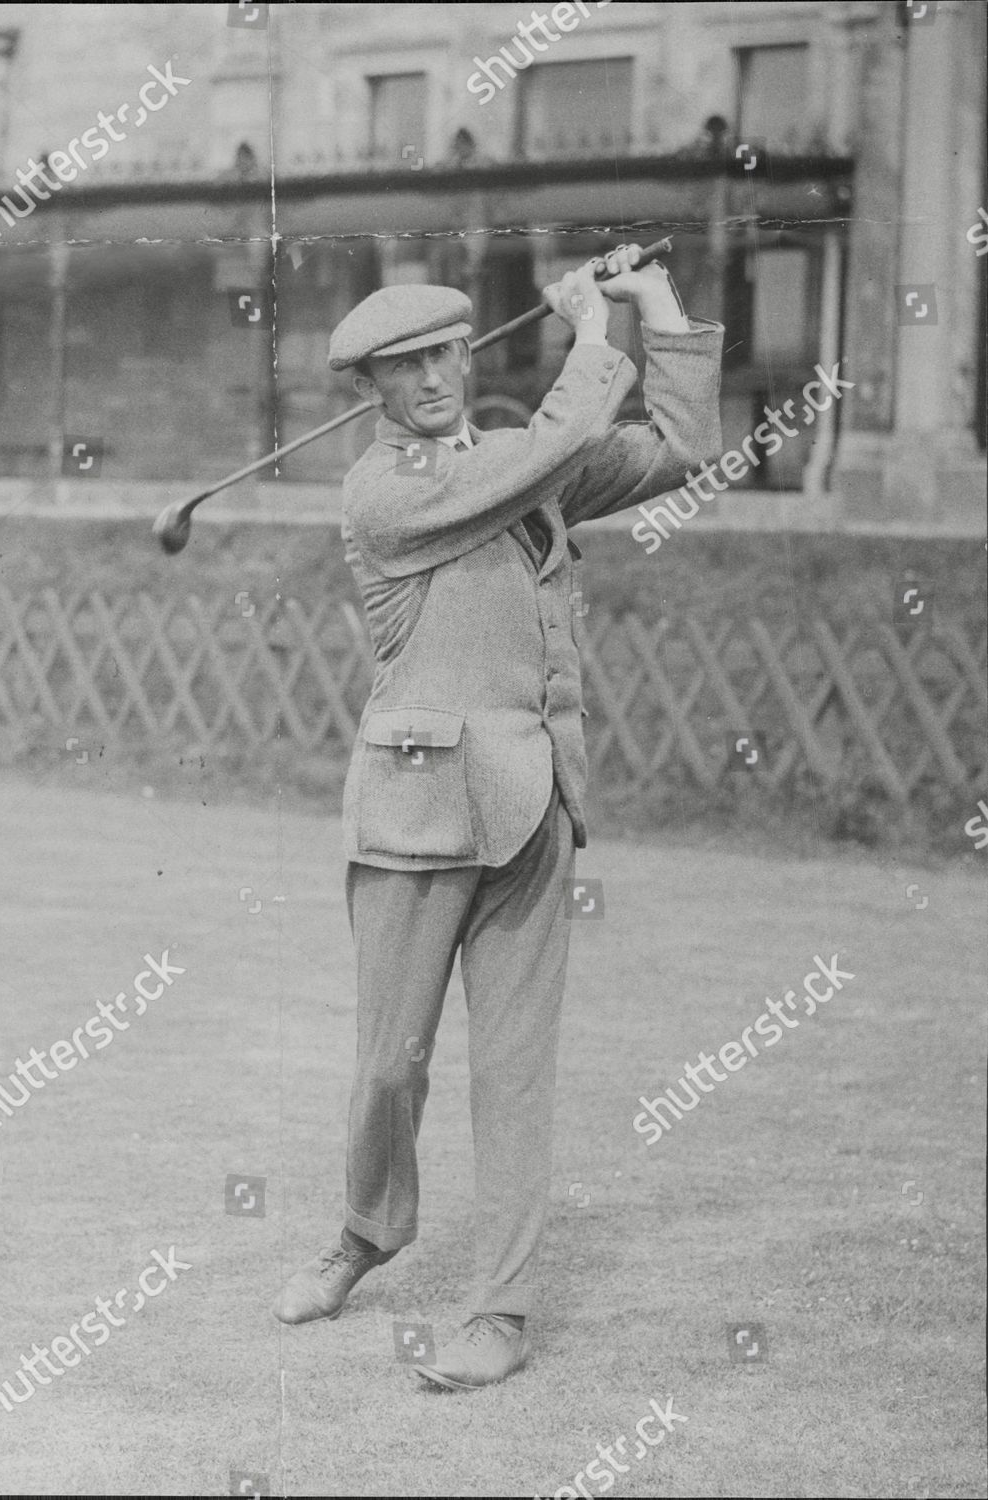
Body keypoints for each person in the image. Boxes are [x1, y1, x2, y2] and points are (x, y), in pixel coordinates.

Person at [272, 244, 724, 1389]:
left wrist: (649, 304)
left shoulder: (525, 465)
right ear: (369, 390)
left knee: (515, 1075)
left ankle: (500, 1312)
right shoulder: (384, 492)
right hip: (417, 814)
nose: (431, 379)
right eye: (403, 367)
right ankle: (367, 1231)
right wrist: (585, 337)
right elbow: (558, 443)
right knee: (389, 1066)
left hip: (533, 808)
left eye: (443, 354)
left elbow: (681, 449)